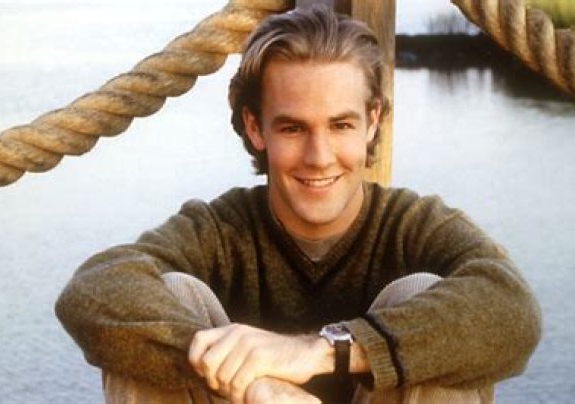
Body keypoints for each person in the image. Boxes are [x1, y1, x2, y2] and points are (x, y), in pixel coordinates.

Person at [55, 6, 541, 404]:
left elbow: (513, 310)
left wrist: (323, 352)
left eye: (341, 125)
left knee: (426, 297)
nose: (319, 156)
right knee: (167, 302)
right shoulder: (219, 231)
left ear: (373, 122)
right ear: (255, 127)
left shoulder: (413, 226)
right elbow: (94, 290)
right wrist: (249, 380)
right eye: (293, 128)